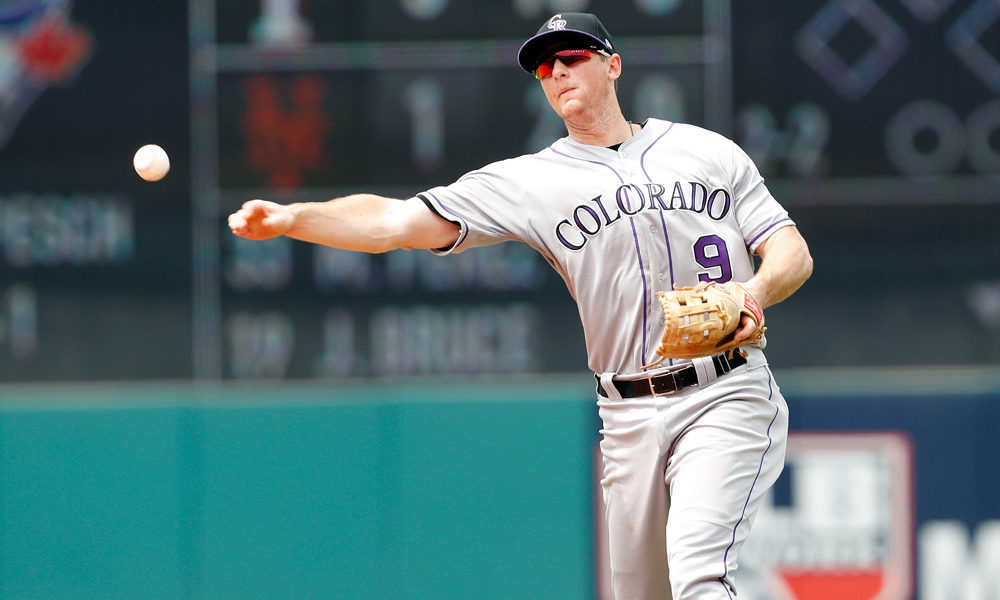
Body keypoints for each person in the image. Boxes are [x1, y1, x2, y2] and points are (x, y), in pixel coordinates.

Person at [229, 12, 813, 600]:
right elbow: (396, 221)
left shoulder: (704, 150)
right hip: (628, 411)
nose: (557, 70)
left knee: (700, 577)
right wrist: (294, 218)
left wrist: (753, 293)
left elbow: (791, 251)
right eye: (544, 65)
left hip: (725, 390)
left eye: (573, 56)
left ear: (612, 65)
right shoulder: (531, 182)